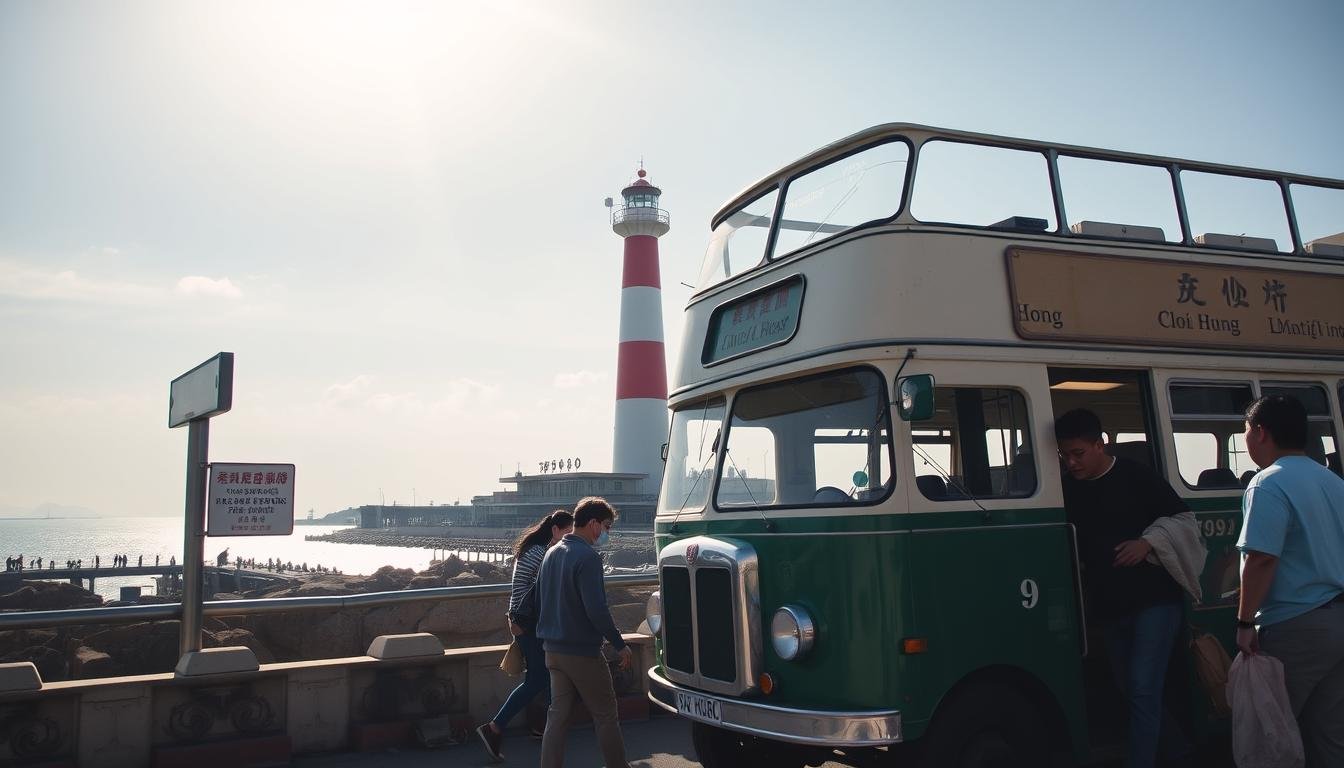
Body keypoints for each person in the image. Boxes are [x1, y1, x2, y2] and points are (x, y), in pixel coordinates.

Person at [1055, 408, 1191, 768]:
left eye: (1078, 454)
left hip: (1155, 602)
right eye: (1065, 455)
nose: (1071, 462)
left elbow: (1183, 521)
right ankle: (1179, 754)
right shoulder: (1067, 490)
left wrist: (1147, 543)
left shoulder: (1137, 476)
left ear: (1101, 444)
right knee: (1131, 690)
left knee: (1143, 688)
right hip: (1109, 606)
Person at [1235, 394, 1344, 766]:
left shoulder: (1266, 483)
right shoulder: (1332, 481)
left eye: (1245, 431)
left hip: (1297, 625)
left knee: (1273, 736)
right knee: (1330, 735)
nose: (1245, 439)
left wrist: (1245, 621)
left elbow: (1262, 558)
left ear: (1261, 433)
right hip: (1338, 620)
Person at [535, 497, 632, 768]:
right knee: (605, 714)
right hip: (581, 651)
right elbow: (597, 610)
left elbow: (541, 599)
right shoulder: (588, 557)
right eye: (607, 527)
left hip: (552, 649)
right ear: (593, 524)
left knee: (557, 716)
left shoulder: (552, 553)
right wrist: (619, 643)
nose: (607, 533)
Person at [475, 509, 575, 761]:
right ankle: (495, 727)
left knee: (551, 674)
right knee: (541, 677)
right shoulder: (543, 553)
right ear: (555, 530)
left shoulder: (536, 549)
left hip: (526, 622)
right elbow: (550, 589)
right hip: (529, 624)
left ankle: (546, 728)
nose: (570, 538)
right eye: (568, 533)